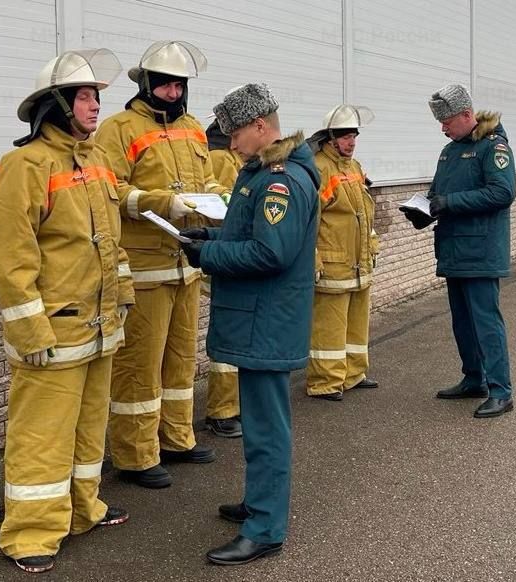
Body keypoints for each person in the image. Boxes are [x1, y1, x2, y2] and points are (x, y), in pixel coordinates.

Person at [0, 49, 133, 573]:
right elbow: (11, 256)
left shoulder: (96, 162)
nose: (95, 106)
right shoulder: (24, 166)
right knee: (41, 435)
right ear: (57, 105)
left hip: (99, 327)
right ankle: (31, 532)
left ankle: (83, 509)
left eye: (96, 97)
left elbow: (110, 240)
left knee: (89, 429)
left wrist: (123, 294)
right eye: (85, 97)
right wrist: (29, 329)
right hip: (53, 332)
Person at [179, 83, 320, 565]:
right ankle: (259, 501)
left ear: (261, 127)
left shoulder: (281, 181)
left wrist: (208, 255)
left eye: (236, 134)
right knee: (260, 423)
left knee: (266, 429)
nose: (231, 143)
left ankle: (265, 529)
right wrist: (210, 235)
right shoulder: (260, 172)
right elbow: (249, 231)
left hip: (267, 321)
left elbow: (269, 252)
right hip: (260, 319)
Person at [95, 41, 227, 488]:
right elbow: (111, 190)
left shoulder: (192, 128)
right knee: (139, 366)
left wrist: (219, 198)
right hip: (146, 269)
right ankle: (135, 456)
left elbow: (205, 179)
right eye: (166, 84)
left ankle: (176, 439)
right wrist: (162, 202)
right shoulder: (118, 129)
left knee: (180, 360)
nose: (174, 92)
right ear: (147, 83)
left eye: (180, 85)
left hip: (186, 265)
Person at [400, 83, 516, 418]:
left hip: (481, 252)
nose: (443, 128)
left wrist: (448, 202)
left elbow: (502, 192)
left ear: (467, 115)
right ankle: (474, 379)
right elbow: (438, 193)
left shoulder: (493, 147)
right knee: (462, 322)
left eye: (447, 121)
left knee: (486, 323)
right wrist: (423, 210)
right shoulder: (449, 151)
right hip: (453, 250)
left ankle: (501, 391)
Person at [305, 105, 379, 401]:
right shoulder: (319, 168)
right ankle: (325, 382)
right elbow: (310, 218)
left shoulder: (354, 167)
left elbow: (365, 211)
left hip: (358, 262)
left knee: (357, 323)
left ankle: (353, 374)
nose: (352, 142)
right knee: (329, 327)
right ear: (331, 138)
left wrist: (372, 245)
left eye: (354, 136)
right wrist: (312, 257)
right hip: (333, 262)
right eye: (346, 137)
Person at [201, 118, 245, 438]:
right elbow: (223, 208)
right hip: (227, 259)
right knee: (230, 336)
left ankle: (232, 406)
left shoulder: (232, 158)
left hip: (233, 257)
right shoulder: (220, 159)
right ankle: (222, 410)